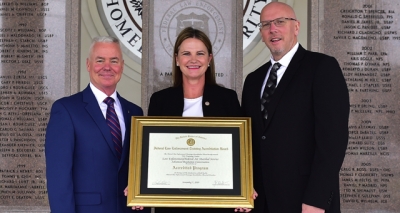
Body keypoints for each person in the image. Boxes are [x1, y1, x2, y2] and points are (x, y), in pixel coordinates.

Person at [241, 2, 349, 213]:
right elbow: (248, 142)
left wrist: (317, 199)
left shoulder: (322, 68)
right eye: (266, 25)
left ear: (296, 27)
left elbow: (333, 141)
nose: (273, 29)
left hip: (306, 202)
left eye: (280, 22)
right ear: (261, 33)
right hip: (261, 202)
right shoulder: (253, 80)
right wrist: (243, 189)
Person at [148, 27, 249, 213]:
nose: (193, 60)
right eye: (186, 53)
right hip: (173, 204)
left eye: (200, 53)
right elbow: (151, 155)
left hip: (218, 203)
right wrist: (139, 185)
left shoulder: (227, 99)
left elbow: (240, 152)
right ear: (177, 59)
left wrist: (246, 188)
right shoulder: (160, 101)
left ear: (209, 59)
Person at [45, 36, 148, 213]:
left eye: (114, 61)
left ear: (122, 66)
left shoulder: (135, 113)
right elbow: (58, 179)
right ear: (88, 65)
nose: (107, 67)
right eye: (100, 60)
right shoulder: (66, 110)